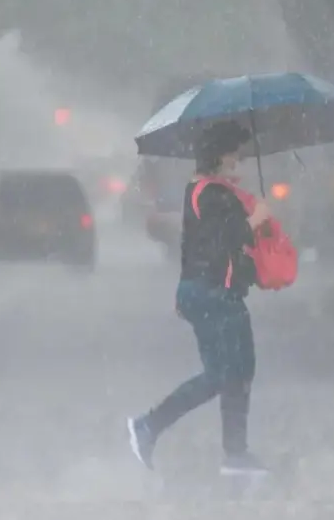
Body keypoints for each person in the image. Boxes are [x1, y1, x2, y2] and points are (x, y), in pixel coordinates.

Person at [127, 120, 271, 474]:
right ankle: (149, 425)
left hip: (214, 292)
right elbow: (229, 238)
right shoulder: (211, 193)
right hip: (212, 294)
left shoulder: (207, 190)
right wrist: (258, 218)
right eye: (233, 152)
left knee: (239, 371)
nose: (238, 158)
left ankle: (236, 456)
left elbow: (204, 242)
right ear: (219, 156)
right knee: (222, 374)